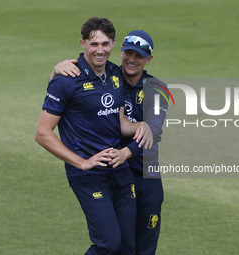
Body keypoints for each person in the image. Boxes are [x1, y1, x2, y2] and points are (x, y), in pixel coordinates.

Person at [35, 17, 152, 255]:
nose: (100, 50)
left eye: (105, 44)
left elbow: (119, 122)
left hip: (120, 171)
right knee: (108, 245)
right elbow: (42, 133)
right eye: (94, 44)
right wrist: (81, 162)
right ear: (83, 44)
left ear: (113, 45)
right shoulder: (67, 80)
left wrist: (143, 125)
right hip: (88, 176)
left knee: (127, 247)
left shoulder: (115, 74)